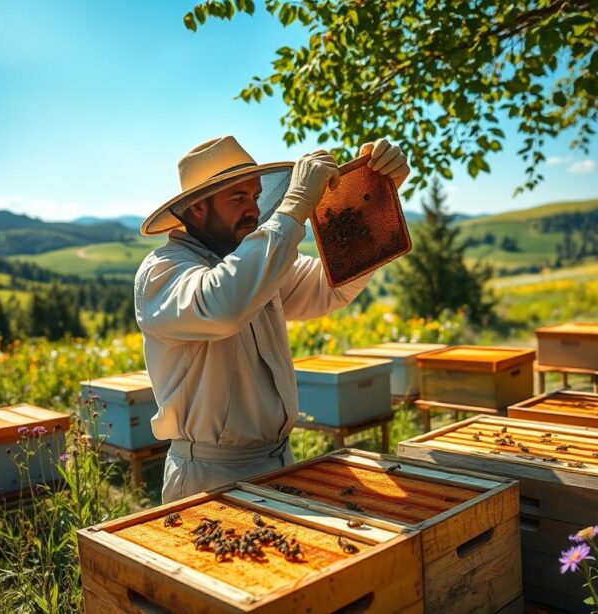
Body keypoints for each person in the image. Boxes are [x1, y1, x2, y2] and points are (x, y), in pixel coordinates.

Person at [134, 135, 410, 503]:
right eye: (238, 198)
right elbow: (223, 305)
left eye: (254, 195)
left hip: (279, 461)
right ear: (197, 208)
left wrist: (375, 194)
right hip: (209, 477)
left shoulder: (255, 262)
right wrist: (294, 207)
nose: (253, 208)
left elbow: (332, 286)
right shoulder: (163, 273)